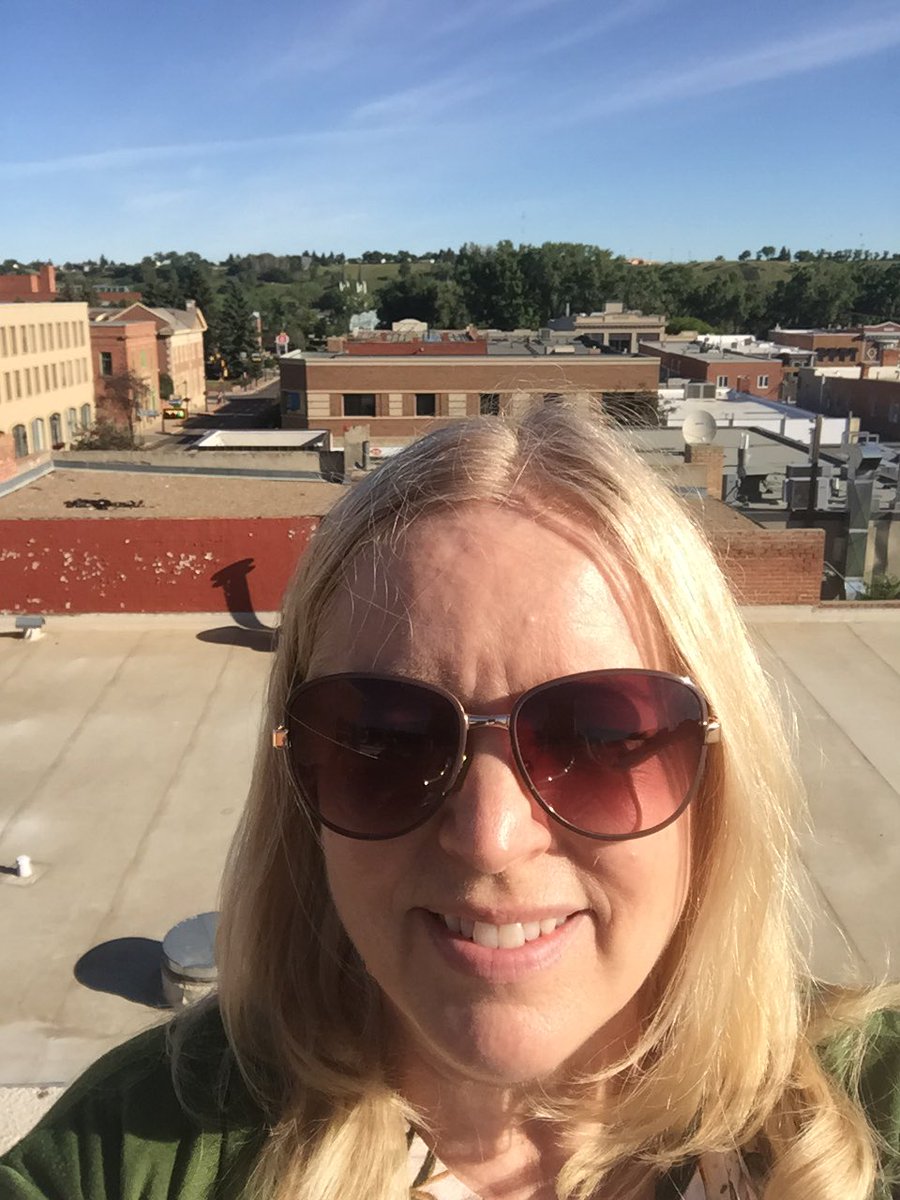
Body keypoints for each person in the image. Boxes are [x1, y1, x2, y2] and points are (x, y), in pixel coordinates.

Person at [2, 399, 898, 1200]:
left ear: (717, 768)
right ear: (299, 783)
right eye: (384, 742)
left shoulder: (878, 1108)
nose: (490, 836)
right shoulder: (123, 1155)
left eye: (595, 738)